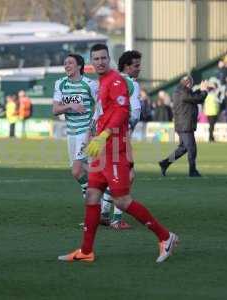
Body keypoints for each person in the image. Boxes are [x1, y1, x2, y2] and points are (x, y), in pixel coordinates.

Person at [58, 44, 178, 263]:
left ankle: (166, 237)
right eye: (96, 59)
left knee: (121, 201)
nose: (100, 62)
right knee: (92, 197)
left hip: (115, 150)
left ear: (109, 59)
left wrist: (105, 135)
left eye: (104, 58)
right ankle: (86, 251)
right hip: (101, 150)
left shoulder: (115, 81)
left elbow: (123, 112)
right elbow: (102, 113)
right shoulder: (101, 82)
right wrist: (93, 135)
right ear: (91, 62)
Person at [100, 50, 143, 230]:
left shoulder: (110, 80)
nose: (139, 69)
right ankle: (117, 219)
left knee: (111, 176)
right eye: (136, 65)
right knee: (127, 176)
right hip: (120, 136)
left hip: (104, 135)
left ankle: (103, 213)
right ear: (126, 66)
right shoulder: (131, 84)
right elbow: (132, 113)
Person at [52, 54, 98, 199]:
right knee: (80, 171)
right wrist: (70, 105)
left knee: (76, 171)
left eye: (70, 63)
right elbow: (55, 110)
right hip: (71, 133)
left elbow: (101, 107)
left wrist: (93, 128)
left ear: (79, 66)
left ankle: (94, 195)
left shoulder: (90, 84)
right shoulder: (60, 83)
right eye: (65, 63)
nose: (67, 65)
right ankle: (98, 192)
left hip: (85, 133)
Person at [158, 75, 208, 177]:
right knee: (191, 148)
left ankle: (165, 163)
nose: (191, 86)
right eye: (191, 84)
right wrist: (204, 91)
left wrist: (199, 90)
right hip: (185, 124)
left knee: (183, 148)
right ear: (188, 83)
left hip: (184, 124)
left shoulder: (181, 90)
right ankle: (192, 171)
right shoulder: (182, 92)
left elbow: (192, 95)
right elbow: (196, 99)